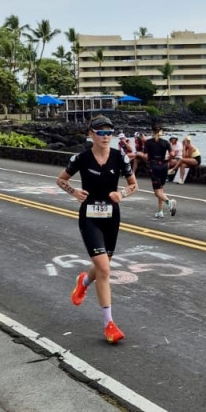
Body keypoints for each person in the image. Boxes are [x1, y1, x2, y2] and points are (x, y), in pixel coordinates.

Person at [56, 115, 137, 345]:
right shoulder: (81, 158)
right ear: (91, 134)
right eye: (100, 132)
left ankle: (83, 282)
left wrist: (121, 194)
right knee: (104, 268)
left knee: (103, 266)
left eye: (109, 132)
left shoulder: (120, 157)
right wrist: (74, 192)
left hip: (111, 217)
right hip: (89, 217)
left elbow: (134, 185)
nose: (105, 136)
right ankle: (109, 324)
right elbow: (60, 180)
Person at [141, 124, 177, 219]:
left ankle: (169, 202)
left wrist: (145, 157)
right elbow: (172, 153)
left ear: (152, 132)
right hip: (164, 166)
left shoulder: (148, 142)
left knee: (157, 193)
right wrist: (168, 158)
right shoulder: (165, 142)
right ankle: (160, 211)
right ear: (161, 132)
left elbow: (145, 156)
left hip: (154, 167)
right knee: (161, 190)